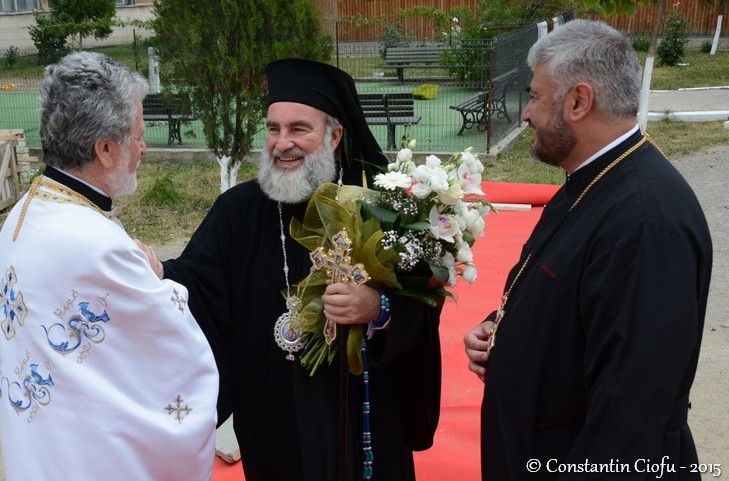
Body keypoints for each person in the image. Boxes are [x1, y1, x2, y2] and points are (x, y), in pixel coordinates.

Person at [151, 58, 442, 481]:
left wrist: (378, 308)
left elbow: (424, 302)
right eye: (273, 129)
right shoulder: (237, 211)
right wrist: (158, 272)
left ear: (335, 136)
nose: (281, 143)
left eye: (298, 129)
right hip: (273, 418)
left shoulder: (379, 204)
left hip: (361, 416)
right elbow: (196, 284)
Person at [463, 20, 712, 480]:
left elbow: (629, 412)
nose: (526, 114)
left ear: (578, 101)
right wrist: (503, 329)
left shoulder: (646, 222)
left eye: (535, 97)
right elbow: (574, 293)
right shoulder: (593, 179)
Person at [0, 51, 218, 481]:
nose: (144, 149)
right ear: (107, 149)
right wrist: (159, 281)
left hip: (47, 452)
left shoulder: (26, 211)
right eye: (139, 136)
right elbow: (174, 348)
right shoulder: (96, 243)